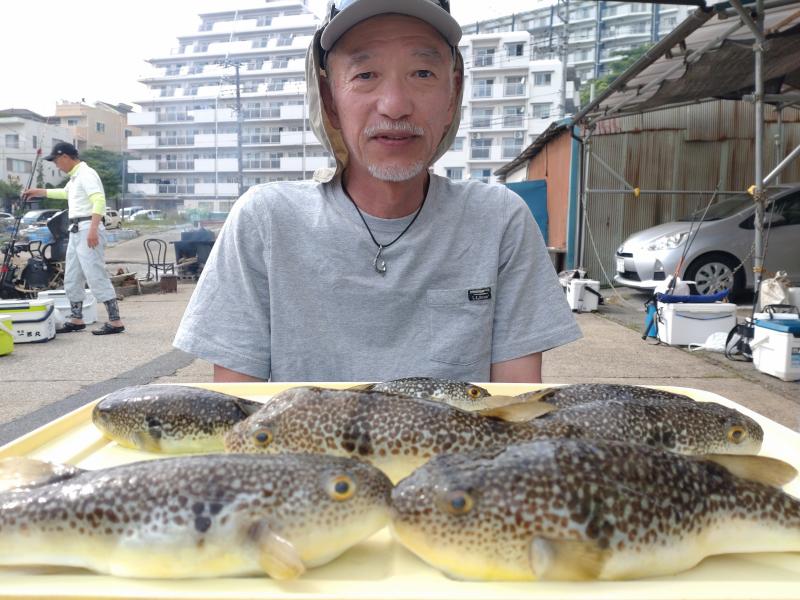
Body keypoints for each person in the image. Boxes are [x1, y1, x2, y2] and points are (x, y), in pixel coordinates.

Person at [174, 0, 581, 383]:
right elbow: (236, 415)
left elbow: (516, 410)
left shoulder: (498, 220)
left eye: (422, 73)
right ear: (329, 98)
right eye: (365, 74)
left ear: (454, 92)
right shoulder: (265, 221)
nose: (395, 105)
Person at [23, 142, 125, 335]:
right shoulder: (76, 177)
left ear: (65, 157)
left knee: (95, 274)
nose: (56, 166)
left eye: (56, 161)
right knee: (72, 275)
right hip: (77, 229)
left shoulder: (87, 174)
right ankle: (77, 319)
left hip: (88, 227)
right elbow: (65, 193)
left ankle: (115, 321)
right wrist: (40, 191)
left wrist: (94, 229)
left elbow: (99, 200)